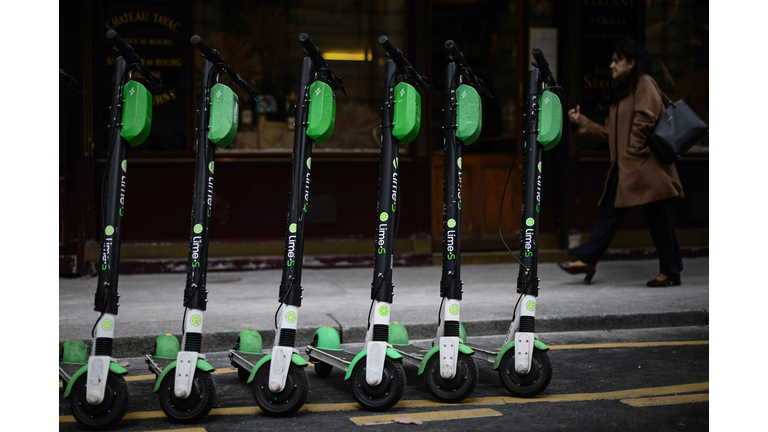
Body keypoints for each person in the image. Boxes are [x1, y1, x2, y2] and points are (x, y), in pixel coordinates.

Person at [558, 39, 684, 287]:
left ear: (632, 62)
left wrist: (634, 146)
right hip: (629, 170)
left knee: (656, 221)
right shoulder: (624, 93)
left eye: (617, 60)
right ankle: (590, 258)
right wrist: (581, 122)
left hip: (644, 169)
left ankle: (668, 271)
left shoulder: (644, 83)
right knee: (622, 216)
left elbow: (646, 117)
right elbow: (609, 133)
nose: (611, 65)